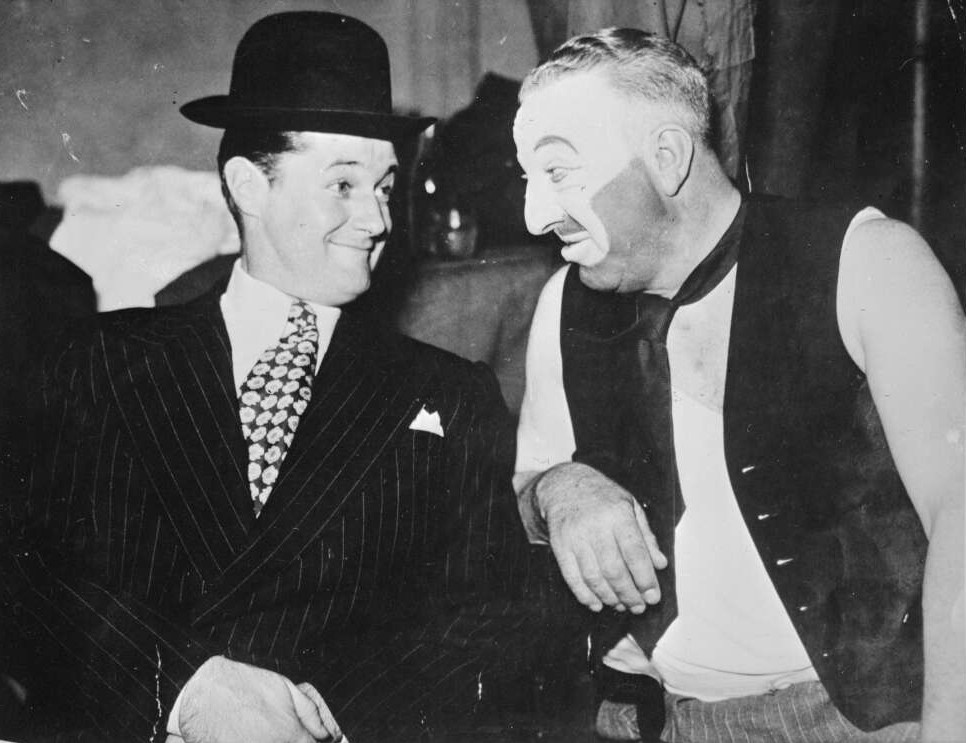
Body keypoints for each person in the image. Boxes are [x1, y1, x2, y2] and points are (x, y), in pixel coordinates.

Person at [2, 12, 541, 742]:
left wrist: (317, 716)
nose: (376, 218)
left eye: (385, 187)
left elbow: (490, 620)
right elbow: (26, 574)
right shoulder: (99, 361)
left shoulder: (449, 397)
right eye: (343, 184)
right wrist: (187, 688)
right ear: (248, 186)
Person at [512, 28, 964, 742]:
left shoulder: (867, 261)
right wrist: (558, 488)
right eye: (527, 179)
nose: (534, 215)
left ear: (667, 157)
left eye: (559, 174)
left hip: (857, 721)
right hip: (643, 718)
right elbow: (527, 488)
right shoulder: (561, 303)